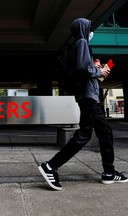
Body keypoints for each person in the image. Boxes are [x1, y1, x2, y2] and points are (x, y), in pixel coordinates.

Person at [38, 18, 128, 191]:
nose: (90, 31)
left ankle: (109, 172)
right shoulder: (82, 42)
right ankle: (51, 166)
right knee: (84, 135)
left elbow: (85, 68)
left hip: (91, 96)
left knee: (105, 132)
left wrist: (97, 71)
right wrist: (99, 70)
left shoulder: (81, 44)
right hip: (88, 98)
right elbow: (82, 67)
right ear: (84, 28)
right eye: (89, 27)